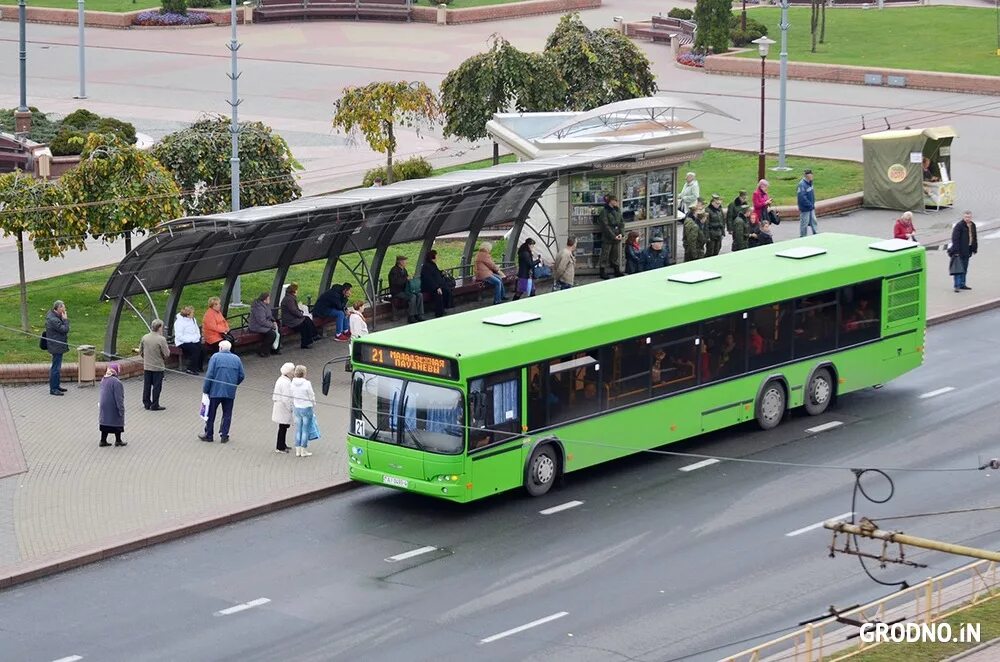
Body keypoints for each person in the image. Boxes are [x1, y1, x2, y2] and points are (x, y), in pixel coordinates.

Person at [199, 339, 245, 443]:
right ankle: (224, 435)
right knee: (227, 414)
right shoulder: (236, 359)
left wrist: (206, 389)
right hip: (229, 392)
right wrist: (234, 384)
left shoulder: (215, 357)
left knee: (211, 413)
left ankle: (209, 435)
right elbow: (242, 375)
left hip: (215, 391)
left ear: (220, 348)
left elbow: (209, 375)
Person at [140, 318, 170, 411]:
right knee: (157, 386)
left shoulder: (145, 337)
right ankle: (155, 404)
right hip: (158, 367)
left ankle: (146, 403)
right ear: (159, 327)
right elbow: (166, 353)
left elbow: (141, 351)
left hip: (147, 365)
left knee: (147, 385)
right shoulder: (161, 339)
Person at [388, 255, 425, 323]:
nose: (406, 262)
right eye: (405, 261)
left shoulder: (404, 270)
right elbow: (396, 282)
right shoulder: (394, 271)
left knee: (419, 295)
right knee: (412, 297)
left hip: (406, 290)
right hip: (397, 292)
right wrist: (406, 279)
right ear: (400, 262)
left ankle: (419, 314)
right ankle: (411, 316)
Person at [44, 300, 70, 396]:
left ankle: (56, 385)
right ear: (58, 308)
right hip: (56, 346)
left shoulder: (54, 316)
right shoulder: (53, 320)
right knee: (56, 368)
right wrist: (65, 320)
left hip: (57, 345)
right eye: (63, 307)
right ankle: (53, 389)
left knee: (57, 367)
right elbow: (64, 329)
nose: (65, 309)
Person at [98, 362, 126, 448]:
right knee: (117, 421)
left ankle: (103, 440)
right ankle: (118, 440)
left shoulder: (104, 379)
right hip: (112, 406)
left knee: (105, 422)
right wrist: (121, 409)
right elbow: (119, 398)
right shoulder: (117, 382)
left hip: (104, 405)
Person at [290, 365, 316, 457]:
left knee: (298, 429)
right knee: (305, 429)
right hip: (307, 407)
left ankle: (297, 450)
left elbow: (291, 394)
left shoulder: (292, 383)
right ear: (304, 373)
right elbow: (311, 395)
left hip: (297, 407)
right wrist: (314, 403)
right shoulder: (307, 383)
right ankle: (303, 450)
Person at [948, 210, 977, 293]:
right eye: (966, 217)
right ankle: (957, 286)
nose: (967, 218)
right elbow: (955, 239)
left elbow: (974, 237)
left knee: (964, 268)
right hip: (959, 251)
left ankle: (962, 284)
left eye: (969, 217)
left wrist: (974, 248)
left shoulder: (973, 225)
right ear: (963, 217)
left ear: (971, 217)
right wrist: (956, 251)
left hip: (968, 250)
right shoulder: (959, 226)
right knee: (958, 269)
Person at [280, 282, 316, 348]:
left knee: (307, 320)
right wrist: (301, 314)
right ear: (294, 291)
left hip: (292, 318)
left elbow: (294, 309)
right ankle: (307, 341)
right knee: (304, 324)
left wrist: (300, 313)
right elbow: (293, 310)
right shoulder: (289, 299)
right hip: (290, 321)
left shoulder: (289, 298)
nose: (297, 291)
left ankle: (312, 336)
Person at [597, 195, 624, 279]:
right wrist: (613, 236)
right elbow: (605, 226)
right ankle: (602, 272)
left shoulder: (617, 210)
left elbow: (621, 223)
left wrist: (621, 233)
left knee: (615, 255)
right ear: (611, 201)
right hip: (608, 237)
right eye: (615, 200)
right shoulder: (604, 211)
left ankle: (616, 270)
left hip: (616, 235)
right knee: (605, 254)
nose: (616, 202)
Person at [420, 250, 453, 317]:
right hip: (429, 287)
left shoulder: (433, 265)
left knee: (446, 290)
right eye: (436, 256)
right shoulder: (426, 266)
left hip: (436, 285)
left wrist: (442, 273)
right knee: (438, 294)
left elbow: (437, 274)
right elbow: (429, 279)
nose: (437, 257)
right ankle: (439, 312)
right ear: (433, 257)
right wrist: (437, 288)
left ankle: (444, 308)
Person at [271, 362, 295, 454]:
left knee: (283, 427)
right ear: (288, 372)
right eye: (292, 370)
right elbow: (286, 398)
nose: (293, 372)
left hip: (281, 407)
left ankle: (283, 444)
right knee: (283, 427)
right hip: (283, 408)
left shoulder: (283, 379)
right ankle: (280, 447)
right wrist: (291, 408)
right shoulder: (285, 382)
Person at [248, 292, 280, 358]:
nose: (270, 300)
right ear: (264, 299)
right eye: (268, 298)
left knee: (278, 330)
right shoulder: (258, 307)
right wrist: (271, 325)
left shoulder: (266, 305)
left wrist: (274, 321)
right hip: (256, 326)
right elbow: (261, 321)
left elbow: (269, 315)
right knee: (271, 334)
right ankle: (263, 351)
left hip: (263, 324)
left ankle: (275, 349)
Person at [174, 306, 204, 375]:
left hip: (194, 339)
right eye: (192, 313)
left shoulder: (193, 319)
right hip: (182, 342)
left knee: (202, 349)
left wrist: (197, 337)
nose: (193, 314)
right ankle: (190, 369)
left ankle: (199, 367)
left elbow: (197, 330)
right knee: (195, 350)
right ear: (187, 314)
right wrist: (191, 340)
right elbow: (179, 336)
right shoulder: (179, 322)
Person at [797, 169, 818, 236]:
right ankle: (803, 236)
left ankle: (816, 233)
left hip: (811, 207)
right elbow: (802, 197)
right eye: (810, 176)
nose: (812, 177)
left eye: (812, 175)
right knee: (804, 223)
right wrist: (809, 205)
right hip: (805, 208)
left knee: (813, 221)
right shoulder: (802, 185)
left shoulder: (810, 182)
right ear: (806, 176)